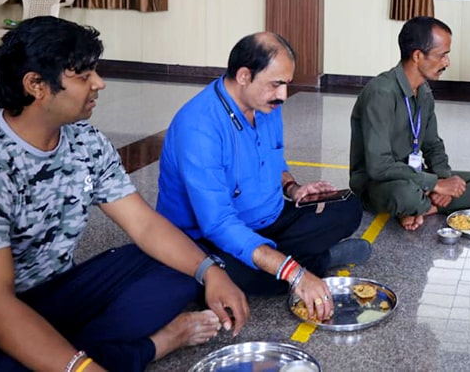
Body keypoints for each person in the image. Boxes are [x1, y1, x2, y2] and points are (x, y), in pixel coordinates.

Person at [0, 16, 249, 372]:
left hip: (54, 294)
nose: (99, 83)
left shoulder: (85, 140)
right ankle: (150, 346)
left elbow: (144, 225)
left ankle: (62, 353)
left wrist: (210, 272)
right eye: (83, 76)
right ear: (36, 85)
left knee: (181, 265)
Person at [157, 32, 370, 320]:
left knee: (348, 207)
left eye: (286, 84)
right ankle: (319, 260)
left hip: (269, 219)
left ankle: (278, 261)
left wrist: (293, 188)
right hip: (212, 237)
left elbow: (274, 160)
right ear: (244, 76)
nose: (283, 95)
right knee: (229, 274)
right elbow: (218, 224)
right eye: (276, 84)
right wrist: (294, 273)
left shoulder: (266, 106)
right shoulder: (199, 127)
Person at [349, 16, 470, 231]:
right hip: (379, 183)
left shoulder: (424, 91)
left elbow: (433, 146)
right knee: (406, 195)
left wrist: (443, 182)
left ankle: (423, 207)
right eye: (442, 55)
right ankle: (416, 204)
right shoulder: (381, 93)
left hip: (416, 177)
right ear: (417, 56)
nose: (447, 63)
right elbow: (379, 166)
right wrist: (435, 184)